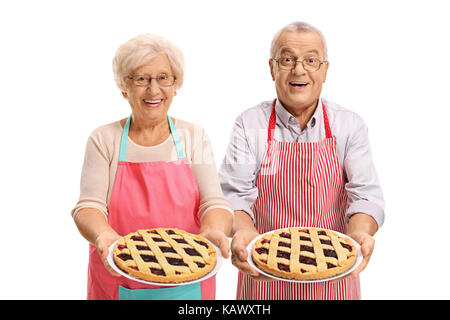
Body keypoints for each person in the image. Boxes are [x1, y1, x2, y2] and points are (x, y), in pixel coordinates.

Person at [219, 22, 384, 300]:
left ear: (325, 70)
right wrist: (245, 233)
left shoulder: (349, 125)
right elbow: (234, 194)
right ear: (271, 68)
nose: (299, 69)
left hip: (334, 277)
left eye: (310, 60)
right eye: (287, 59)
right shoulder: (250, 124)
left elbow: (365, 195)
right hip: (264, 275)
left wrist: (359, 235)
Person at [72, 34, 233, 300]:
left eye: (163, 78)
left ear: (175, 84)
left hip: (188, 282)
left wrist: (214, 228)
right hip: (119, 279)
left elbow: (213, 202)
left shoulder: (194, 136)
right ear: (124, 87)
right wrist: (103, 235)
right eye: (141, 79)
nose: (154, 90)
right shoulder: (104, 139)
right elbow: (89, 206)